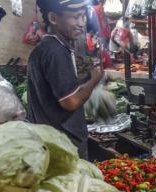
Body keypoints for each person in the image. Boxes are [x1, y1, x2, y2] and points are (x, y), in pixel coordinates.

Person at [27, 0, 103, 159]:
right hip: (64, 144)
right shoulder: (56, 52)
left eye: (83, 16)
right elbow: (71, 102)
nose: (82, 23)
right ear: (53, 18)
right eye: (75, 17)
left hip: (50, 140)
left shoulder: (45, 48)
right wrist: (94, 80)